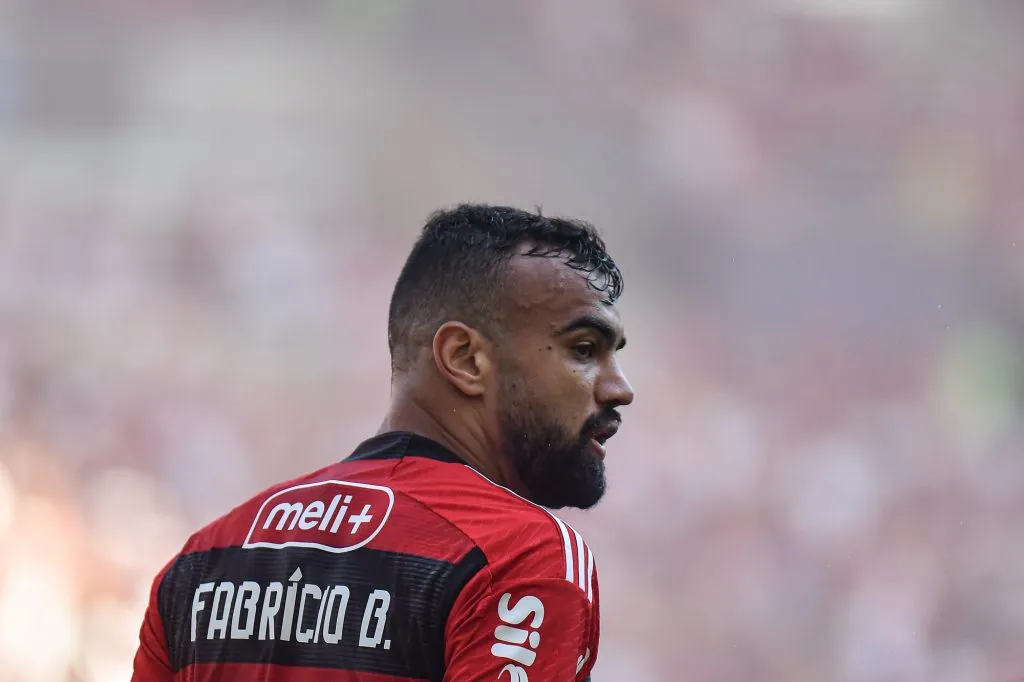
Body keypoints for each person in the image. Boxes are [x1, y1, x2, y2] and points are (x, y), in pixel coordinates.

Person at [131, 204, 635, 682]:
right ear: (465, 359)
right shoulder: (520, 553)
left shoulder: (206, 556)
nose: (620, 388)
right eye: (584, 350)